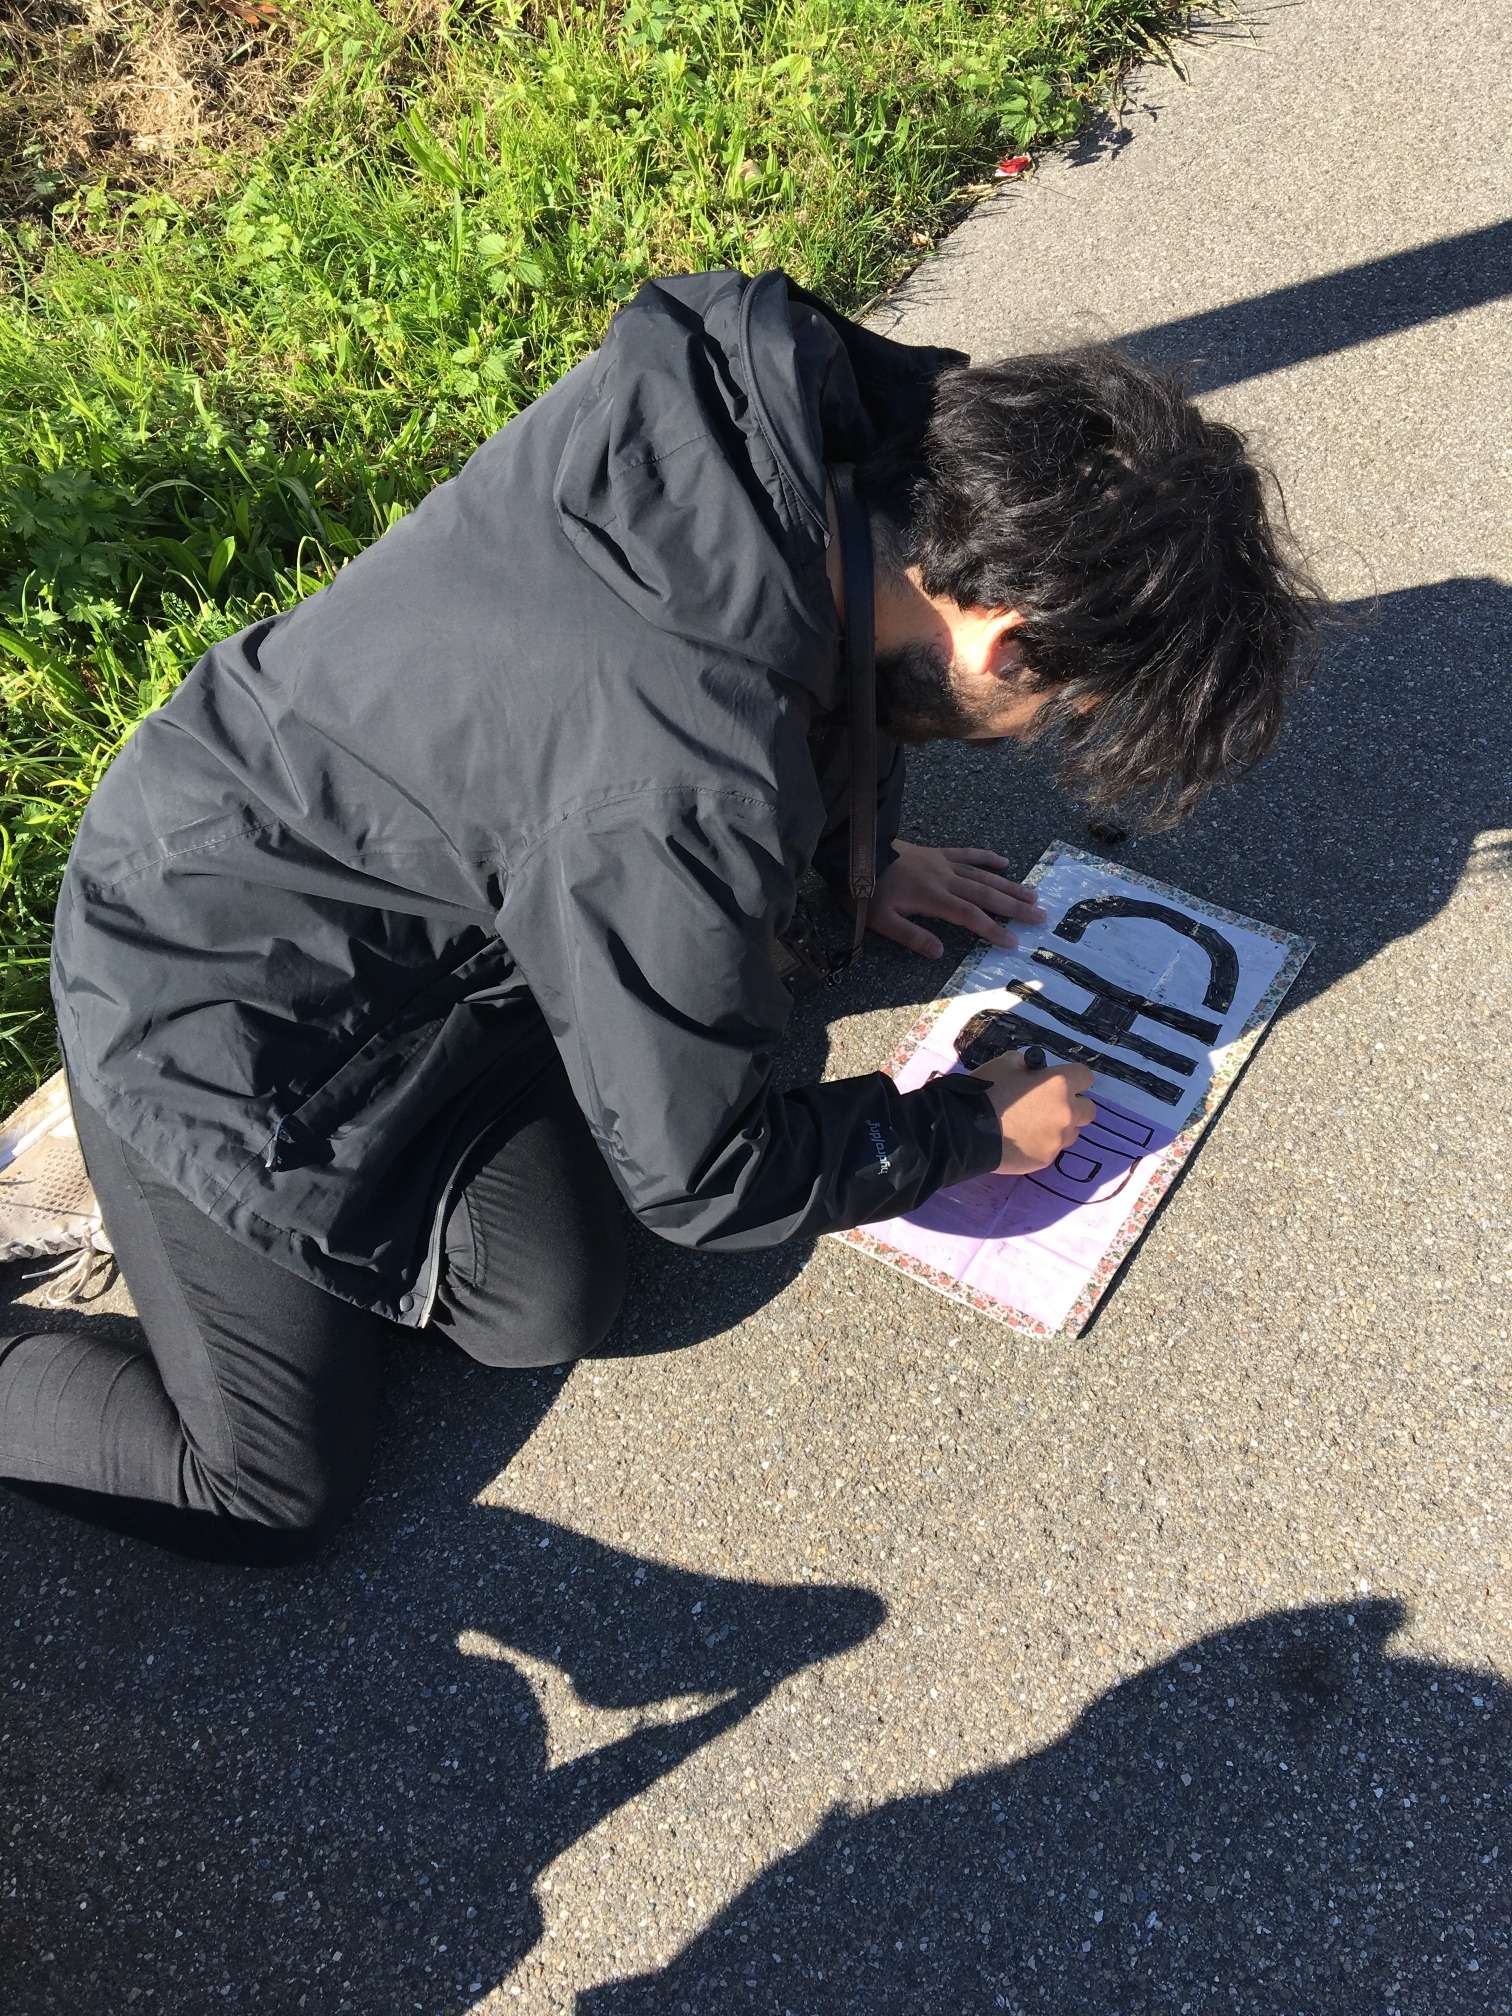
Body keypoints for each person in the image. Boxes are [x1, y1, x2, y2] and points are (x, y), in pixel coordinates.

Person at [0, 267, 1318, 1563]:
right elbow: (708, 1179)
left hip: (411, 895)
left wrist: (856, 854)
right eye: (1061, 715)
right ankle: (112, 1171)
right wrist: (965, 1129)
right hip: (206, 978)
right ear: (1002, 637)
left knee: (540, 1297)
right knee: (268, 1486)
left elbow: (787, 689)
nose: (1037, 738)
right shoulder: (685, 782)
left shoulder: (821, 414)